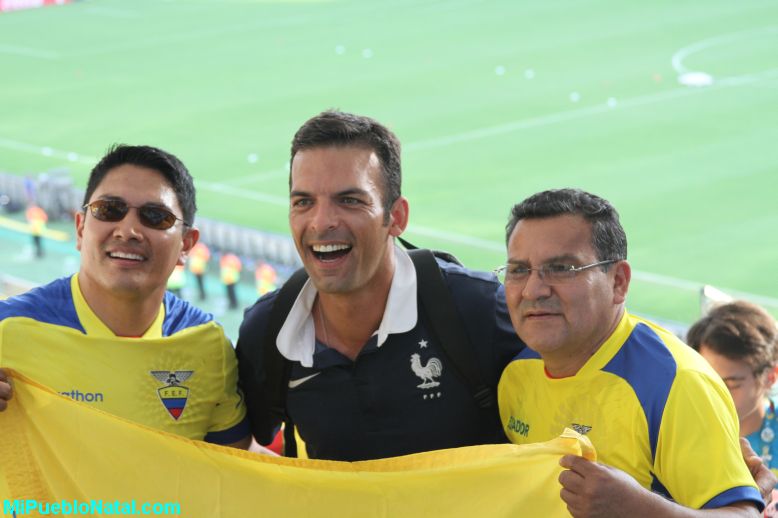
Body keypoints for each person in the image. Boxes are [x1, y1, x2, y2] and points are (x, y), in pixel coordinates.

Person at [236, 110, 523, 461]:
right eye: (303, 202)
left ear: (396, 218)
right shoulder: (268, 330)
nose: (321, 222)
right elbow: (231, 447)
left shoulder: (479, 310)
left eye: (350, 200)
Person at [497, 188, 764, 516]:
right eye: (519, 270)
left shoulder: (676, 384)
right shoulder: (515, 376)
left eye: (562, 268)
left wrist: (641, 509)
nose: (533, 290)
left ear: (619, 282)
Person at [0, 144, 250, 448]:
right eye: (109, 210)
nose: (128, 229)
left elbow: (232, 470)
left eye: (156, 216)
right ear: (80, 229)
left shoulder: (209, 347)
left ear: (186, 244)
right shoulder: (9, 330)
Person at [688, 302, 778, 470]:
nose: (714, 395)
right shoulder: (678, 427)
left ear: (771, 377)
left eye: (731, 384)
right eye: (706, 381)